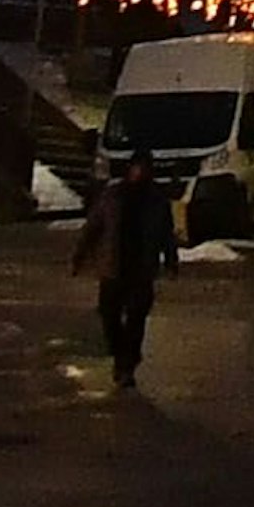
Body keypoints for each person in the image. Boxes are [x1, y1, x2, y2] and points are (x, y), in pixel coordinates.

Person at [83, 120, 174, 390]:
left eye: (144, 168)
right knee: (109, 314)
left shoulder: (157, 201)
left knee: (135, 319)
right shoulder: (113, 196)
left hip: (141, 270)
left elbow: (166, 235)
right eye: (137, 167)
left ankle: (127, 365)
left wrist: (170, 260)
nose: (139, 172)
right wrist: (81, 254)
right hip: (114, 267)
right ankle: (121, 354)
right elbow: (94, 226)